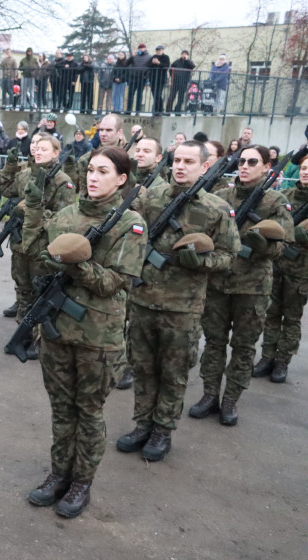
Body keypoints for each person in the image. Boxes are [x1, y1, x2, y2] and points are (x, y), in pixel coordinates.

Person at [25, 146, 146, 518]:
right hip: (58, 331)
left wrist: (77, 263)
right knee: (62, 411)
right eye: (90, 170)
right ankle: (59, 473)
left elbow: (115, 283)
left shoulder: (130, 224)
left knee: (89, 412)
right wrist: (53, 258)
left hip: (99, 338)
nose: (93, 177)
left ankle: (82, 482)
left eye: (103, 171)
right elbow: (39, 255)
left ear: (121, 179)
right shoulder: (65, 215)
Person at [116, 140, 240, 460]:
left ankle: (162, 430)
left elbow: (229, 256)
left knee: (174, 372)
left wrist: (201, 263)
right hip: (143, 299)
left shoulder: (215, 209)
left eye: (189, 161)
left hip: (182, 307)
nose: (181, 166)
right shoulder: (150, 197)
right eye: (177, 160)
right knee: (142, 368)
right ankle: (142, 424)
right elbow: (126, 233)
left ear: (204, 167)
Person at [190, 145, 294, 425]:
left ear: (265, 168)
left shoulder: (275, 201)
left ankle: (231, 399)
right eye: (242, 161)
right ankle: (209, 394)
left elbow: (283, 247)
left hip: (253, 287)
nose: (245, 166)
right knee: (213, 343)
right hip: (218, 283)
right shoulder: (221, 197)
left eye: (252, 161)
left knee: (245, 346)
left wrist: (264, 247)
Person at [5, 133, 77, 359]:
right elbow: (11, 198)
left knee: (41, 293)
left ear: (56, 153)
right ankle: (22, 333)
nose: (37, 151)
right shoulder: (25, 174)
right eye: (36, 148)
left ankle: (38, 339)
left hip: (43, 246)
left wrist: (34, 209)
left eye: (44, 149)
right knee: (22, 289)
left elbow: (63, 219)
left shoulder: (63, 182)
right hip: (21, 244)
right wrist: (17, 209)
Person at [254, 157, 308, 382]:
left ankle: (282, 361)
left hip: (302, 270)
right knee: (272, 313)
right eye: (304, 168)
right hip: (277, 265)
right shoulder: (286, 196)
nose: (306, 173)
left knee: (292, 318)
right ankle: (267, 357)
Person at [148, 46, 171, 115]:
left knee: (158, 94)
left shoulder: (166, 57)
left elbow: (166, 66)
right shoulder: (153, 57)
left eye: (159, 50)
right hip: (153, 78)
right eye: (157, 50)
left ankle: (159, 110)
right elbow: (148, 65)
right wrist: (152, 63)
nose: (158, 51)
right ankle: (156, 109)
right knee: (154, 94)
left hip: (161, 79)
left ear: (162, 50)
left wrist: (158, 63)